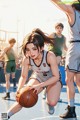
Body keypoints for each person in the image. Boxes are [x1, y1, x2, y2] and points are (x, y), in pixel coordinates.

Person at [1, 28, 62, 119]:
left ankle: (49, 103)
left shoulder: (50, 56)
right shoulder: (27, 59)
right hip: (38, 76)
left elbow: (56, 76)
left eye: (34, 49)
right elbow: (23, 76)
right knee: (22, 98)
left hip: (53, 78)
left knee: (52, 102)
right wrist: (19, 89)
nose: (31, 52)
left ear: (41, 48)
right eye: (28, 49)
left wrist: (41, 85)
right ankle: (4, 116)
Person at [50, 0, 80, 119]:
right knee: (79, 81)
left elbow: (58, 3)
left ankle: (71, 109)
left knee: (69, 80)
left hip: (75, 47)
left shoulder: (72, 11)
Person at [42, 22, 67, 99]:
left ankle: (54, 92)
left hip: (58, 55)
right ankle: (45, 90)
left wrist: (71, 52)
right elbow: (45, 40)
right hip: (51, 53)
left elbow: (65, 47)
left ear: (62, 29)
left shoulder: (64, 38)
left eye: (60, 28)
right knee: (51, 72)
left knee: (54, 71)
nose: (59, 29)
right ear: (55, 29)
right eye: (58, 28)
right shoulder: (53, 35)